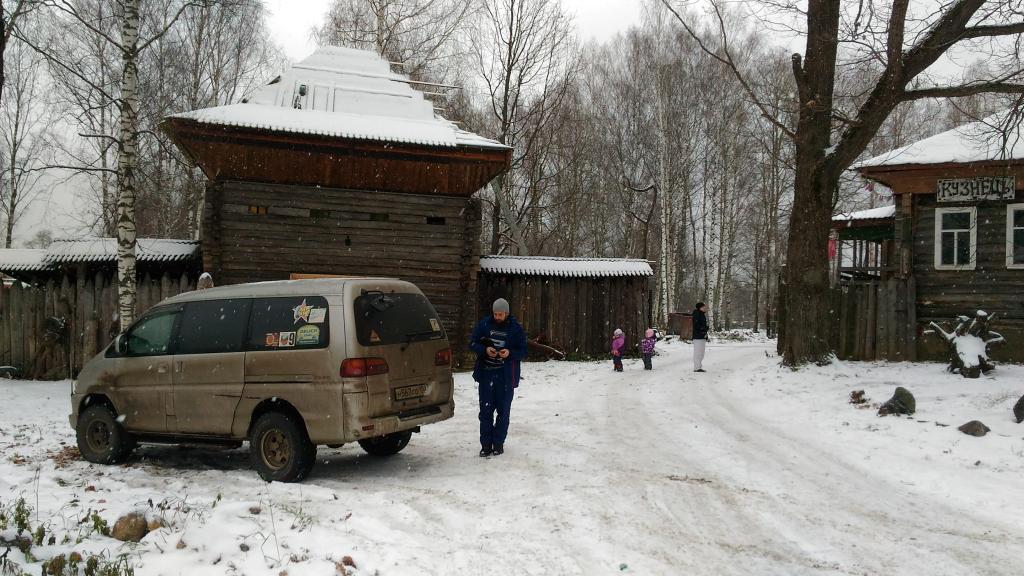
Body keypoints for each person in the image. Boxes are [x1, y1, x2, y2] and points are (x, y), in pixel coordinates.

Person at [469, 298, 527, 457]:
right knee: (485, 412)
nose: (497, 317)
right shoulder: (484, 324)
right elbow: (472, 343)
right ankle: (486, 445)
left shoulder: (515, 329)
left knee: (503, 412)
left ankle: (498, 444)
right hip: (486, 375)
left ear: (506, 313)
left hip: (505, 377)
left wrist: (510, 353)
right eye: (495, 314)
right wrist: (485, 350)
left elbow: (523, 350)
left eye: (500, 314)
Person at [692, 302, 709, 372]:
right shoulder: (696, 314)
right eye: (704, 307)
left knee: (701, 353)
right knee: (698, 352)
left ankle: (699, 366)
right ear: (700, 307)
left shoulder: (702, 314)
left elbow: (702, 324)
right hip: (697, 336)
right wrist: (704, 328)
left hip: (702, 336)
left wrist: (705, 331)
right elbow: (696, 325)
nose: (705, 308)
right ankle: (696, 367)